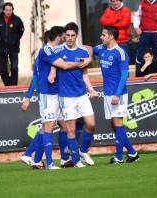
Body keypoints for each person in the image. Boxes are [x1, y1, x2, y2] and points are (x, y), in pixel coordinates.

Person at [36, 26, 89, 169]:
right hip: (47, 93)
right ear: (59, 37)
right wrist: (82, 63)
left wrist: (87, 58)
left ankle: (64, 159)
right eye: (65, 36)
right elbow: (64, 66)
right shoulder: (47, 50)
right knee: (48, 126)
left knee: (64, 126)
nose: (67, 38)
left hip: (56, 93)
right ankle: (49, 163)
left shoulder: (54, 50)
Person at [49, 22, 98, 167]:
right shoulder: (58, 50)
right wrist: (52, 72)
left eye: (72, 35)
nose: (70, 38)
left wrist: (91, 90)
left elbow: (84, 75)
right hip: (66, 96)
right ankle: (76, 160)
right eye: (68, 35)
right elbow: (54, 64)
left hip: (81, 94)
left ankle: (83, 150)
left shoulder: (83, 53)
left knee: (91, 124)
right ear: (65, 35)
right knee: (70, 127)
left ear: (77, 36)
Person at [92, 26, 139, 164]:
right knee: (113, 123)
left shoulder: (121, 53)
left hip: (118, 94)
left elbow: (125, 75)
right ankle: (132, 152)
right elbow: (88, 50)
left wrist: (117, 94)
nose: (101, 37)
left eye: (103, 34)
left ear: (111, 36)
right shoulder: (101, 49)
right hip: (107, 93)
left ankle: (118, 157)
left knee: (117, 122)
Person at [133, 0, 157, 77]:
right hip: (144, 32)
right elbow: (137, 15)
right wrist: (136, 27)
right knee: (141, 54)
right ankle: (138, 75)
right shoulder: (142, 2)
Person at [0, 2, 24, 86]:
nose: (8, 12)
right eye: (7, 10)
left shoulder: (17, 20)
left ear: (12, 10)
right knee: (3, 70)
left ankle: (13, 87)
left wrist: (14, 40)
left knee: (14, 68)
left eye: (10, 10)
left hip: (13, 48)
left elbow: (20, 32)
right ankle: (8, 86)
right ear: (3, 10)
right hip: (0, 48)